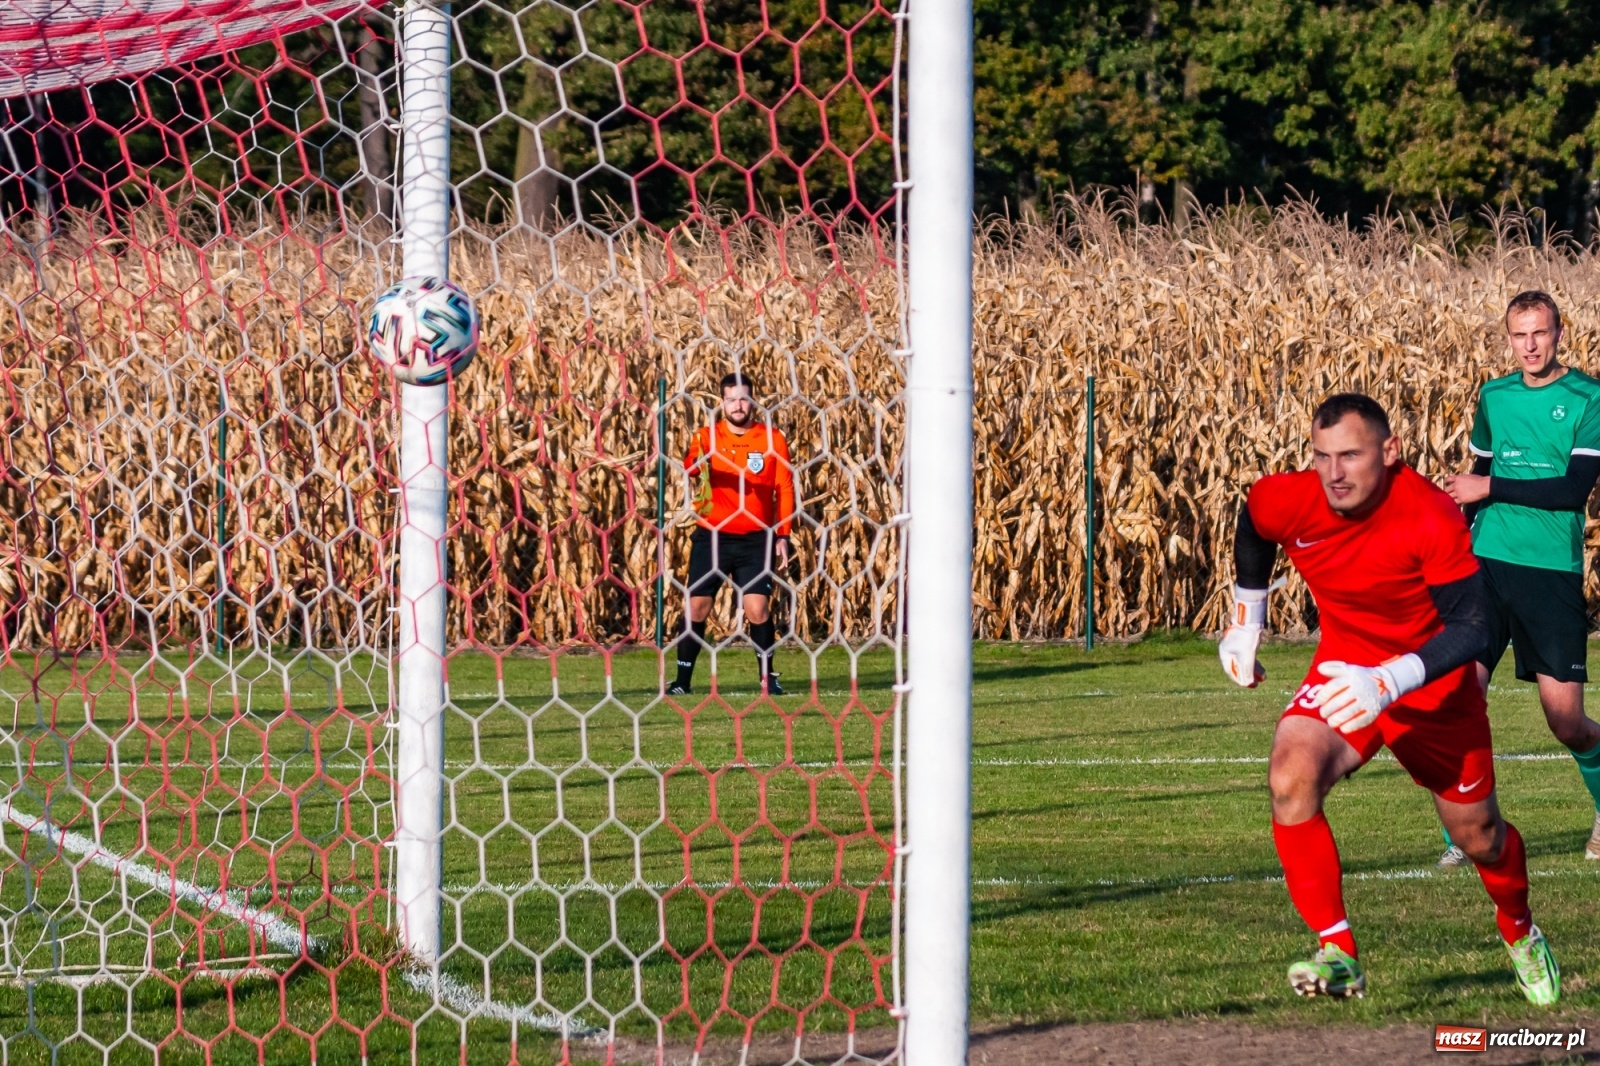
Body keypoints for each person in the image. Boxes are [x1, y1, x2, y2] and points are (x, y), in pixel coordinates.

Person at [1219, 393, 1558, 1004]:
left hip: (1431, 686)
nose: (1334, 473)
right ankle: (1338, 952)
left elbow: (1474, 626)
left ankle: (1520, 930)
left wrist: (1390, 681)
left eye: (1350, 455)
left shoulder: (1427, 514)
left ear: (1391, 452)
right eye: (1322, 457)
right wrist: (1247, 619)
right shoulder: (1290, 495)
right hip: (1344, 667)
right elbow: (1255, 523)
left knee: (1480, 837)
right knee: (1290, 775)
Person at [1434, 290, 1600, 868]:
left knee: (1567, 723)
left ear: (1558, 333)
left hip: (1550, 573)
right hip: (1485, 567)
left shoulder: (1589, 398)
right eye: (1518, 335)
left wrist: (1491, 488)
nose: (1529, 345)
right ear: (1509, 338)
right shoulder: (1494, 396)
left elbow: (1570, 492)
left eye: (1540, 333)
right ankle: (1466, 833)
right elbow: (1476, 475)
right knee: (1459, 701)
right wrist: (1448, 545)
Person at [667, 371, 797, 697]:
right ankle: (682, 682)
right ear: (721, 402)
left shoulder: (772, 438)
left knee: (757, 609)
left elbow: (784, 485)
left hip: (756, 539)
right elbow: (690, 467)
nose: (738, 405)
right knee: (696, 607)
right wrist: (702, 459)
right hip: (712, 537)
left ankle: (768, 679)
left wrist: (784, 534)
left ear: (752, 401)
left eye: (743, 398)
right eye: (731, 399)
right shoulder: (707, 436)